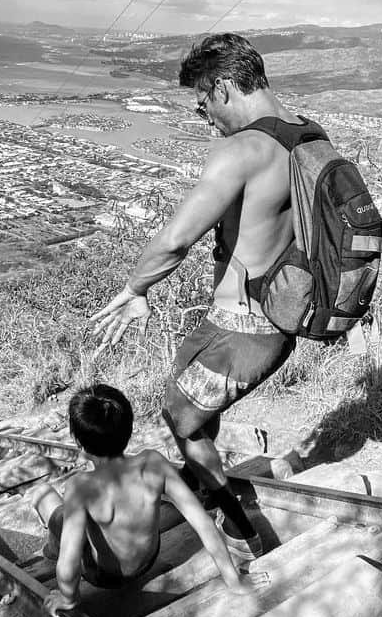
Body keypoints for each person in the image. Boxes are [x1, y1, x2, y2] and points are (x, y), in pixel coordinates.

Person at [91, 32, 305, 560]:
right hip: (283, 314)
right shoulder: (306, 136)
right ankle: (205, 479)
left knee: (179, 413)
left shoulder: (244, 149)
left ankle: (238, 530)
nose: (205, 116)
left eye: (204, 102)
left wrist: (136, 288)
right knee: (194, 407)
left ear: (226, 87)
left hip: (242, 326)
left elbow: (175, 239)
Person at [31, 383, 269, 617]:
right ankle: (52, 549)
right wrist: (233, 580)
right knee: (71, 517)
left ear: (80, 444)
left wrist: (68, 597)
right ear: (128, 429)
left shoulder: (80, 487)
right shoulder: (153, 463)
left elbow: (70, 560)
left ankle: (51, 549)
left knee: (44, 495)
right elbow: (203, 524)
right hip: (146, 561)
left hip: (104, 576)